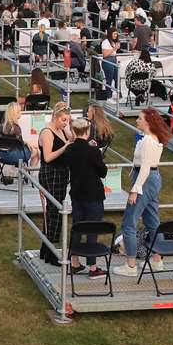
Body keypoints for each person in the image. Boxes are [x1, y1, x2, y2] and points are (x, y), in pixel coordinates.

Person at [119, 109, 171, 276]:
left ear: (148, 121)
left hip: (145, 180)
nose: (137, 120)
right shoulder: (151, 139)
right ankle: (157, 260)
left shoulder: (148, 140)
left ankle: (131, 265)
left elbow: (145, 168)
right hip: (151, 179)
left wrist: (135, 190)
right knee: (152, 221)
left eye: (140, 118)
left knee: (129, 223)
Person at [66, 114, 110, 278]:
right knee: (92, 229)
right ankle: (92, 267)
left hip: (76, 192)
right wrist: (96, 152)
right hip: (93, 194)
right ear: (87, 131)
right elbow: (103, 172)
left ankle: (75, 262)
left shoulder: (70, 149)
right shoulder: (93, 151)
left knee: (77, 227)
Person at [35, 104, 75, 266]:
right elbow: (48, 157)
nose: (66, 123)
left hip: (61, 173)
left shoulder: (61, 130)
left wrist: (68, 128)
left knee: (54, 212)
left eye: (68, 120)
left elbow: (71, 138)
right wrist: (65, 146)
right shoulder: (47, 132)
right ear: (54, 118)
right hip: (51, 173)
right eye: (63, 120)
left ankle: (45, 250)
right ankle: (51, 253)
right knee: (54, 212)